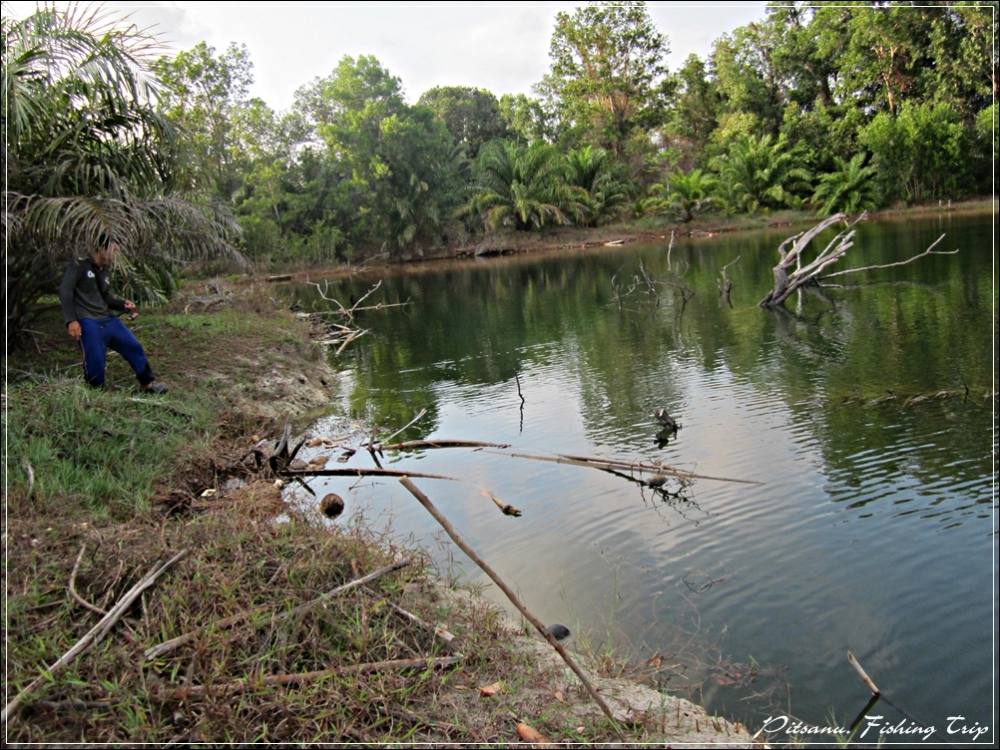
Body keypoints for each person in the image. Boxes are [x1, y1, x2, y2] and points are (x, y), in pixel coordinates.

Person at [59, 238, 168, 393]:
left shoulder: (104, 270)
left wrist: (123, 304)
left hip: (108, 319)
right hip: (88, 321)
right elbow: (65, 291)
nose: (115, 254)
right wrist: (71, 320)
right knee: (95, 359)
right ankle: (96, 395)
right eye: (113, 250)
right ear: (101, 248)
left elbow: (106, 298)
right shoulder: (79, 265)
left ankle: (148, 385)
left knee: (133, 346)